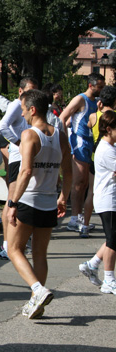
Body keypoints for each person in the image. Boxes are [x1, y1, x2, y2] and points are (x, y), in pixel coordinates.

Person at [6, 89, 72, 319]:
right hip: (49, 202)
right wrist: (63, 196)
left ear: (32, 110)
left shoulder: (29, 135)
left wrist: (13, 202)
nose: (22, 114)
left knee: (13, 249)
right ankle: (37, 303)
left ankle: (37, 289)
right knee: (40, 254)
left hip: (29, 200)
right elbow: (68, 170)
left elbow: (25, 171)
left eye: (23, 109)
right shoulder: (60, 135)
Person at [0, 77, 39, 259]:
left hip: (25, 155)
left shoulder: (28, 107)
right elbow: (2, 127)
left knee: (20, 199)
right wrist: (19, 142)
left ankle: (16, 242)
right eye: (29, 90)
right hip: (16, 156)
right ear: (20, 91)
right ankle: (7, 244)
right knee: (12, 199)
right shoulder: (15, 105)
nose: (32, 94)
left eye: (35, 91)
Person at [59, 73, 105, 233]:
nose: (102, 89)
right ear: (91, 86)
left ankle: (78, 217)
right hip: (78, 143)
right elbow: (63, 117)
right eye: (100, 86)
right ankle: (73, 218)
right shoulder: (80, 99)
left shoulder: (96, 102)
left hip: (89, 144)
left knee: (84, 183)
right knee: (78, 183)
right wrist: (65, 141)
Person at [78, 110, 116, 294]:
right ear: (108, 129)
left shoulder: (111, 146)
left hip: (111, 198)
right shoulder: (106, 150)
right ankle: (109, 279)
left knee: (113, 238)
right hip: (108, 199)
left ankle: (91, 265)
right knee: (112, 241)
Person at [79, 86, 116, 237]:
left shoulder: (94, 116)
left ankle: (85, 225)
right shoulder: (114, 118)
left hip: (95, 158)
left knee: (91, 192)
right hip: (109, 157)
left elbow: (88, 127)